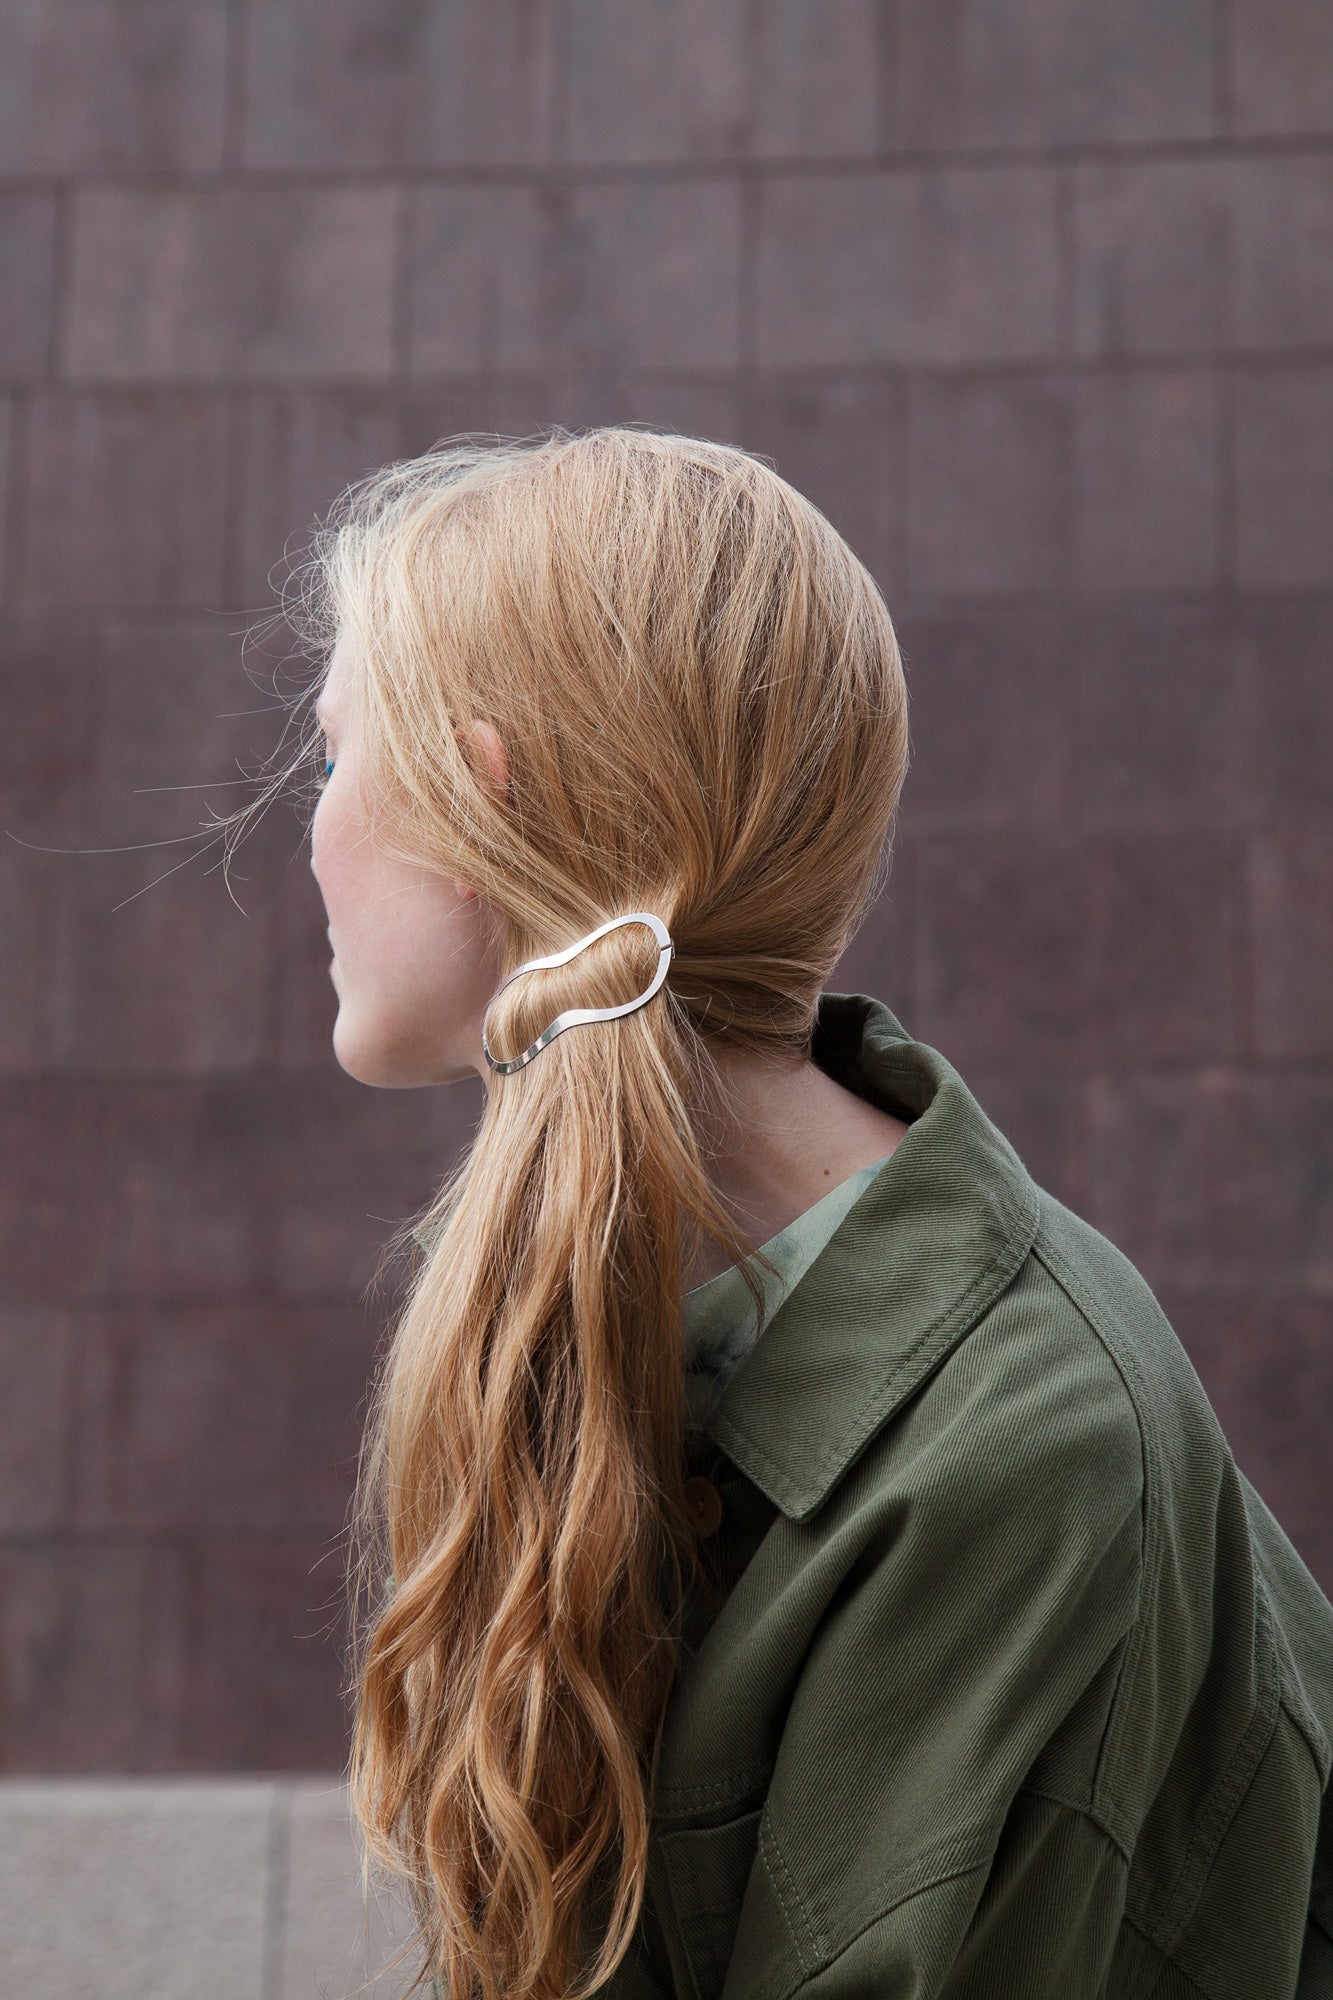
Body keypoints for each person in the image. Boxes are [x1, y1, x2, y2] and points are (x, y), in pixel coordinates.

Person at [266, 428, 1332, 1999]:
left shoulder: (1016, 1446)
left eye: (336, 751)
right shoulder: (568, 1301)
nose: (310, 825)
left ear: (477, 796)